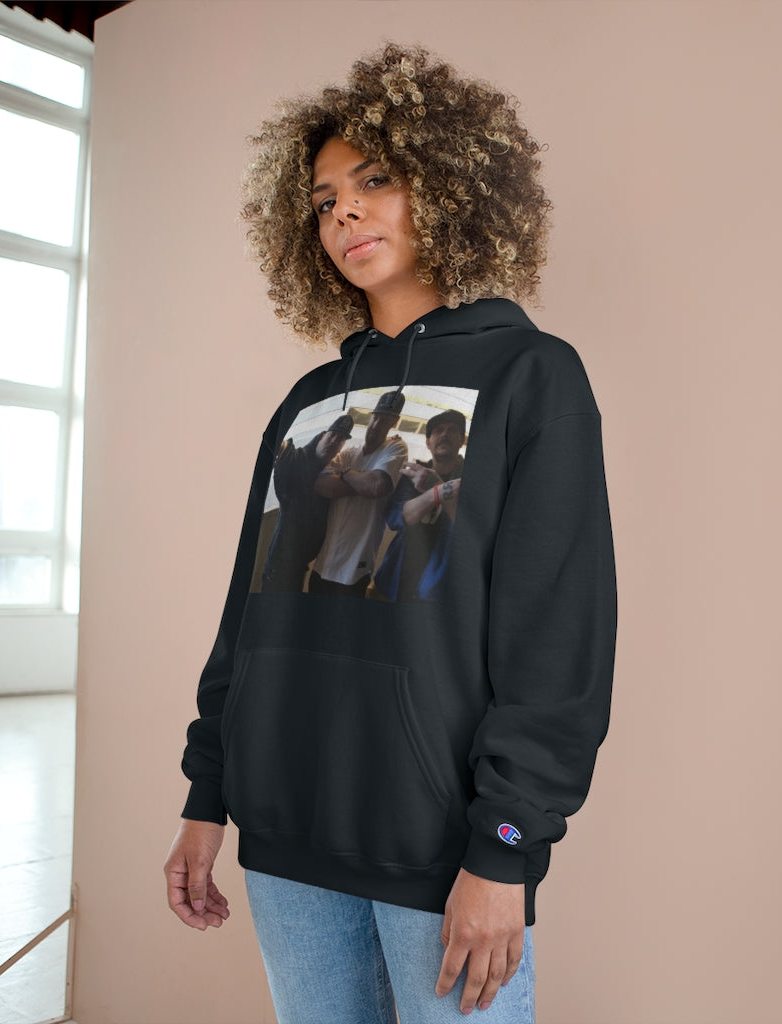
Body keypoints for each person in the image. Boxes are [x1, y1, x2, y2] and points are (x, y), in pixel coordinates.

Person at [164, 43, 617, 1023]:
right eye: (324, 200)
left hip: (439, 851)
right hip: (283, 840)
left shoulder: (531, 377)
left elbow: (557, 636)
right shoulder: (308, 402)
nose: (344, 214)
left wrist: (505, 846)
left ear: (449, 186)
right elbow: (250, 617)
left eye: (373, 181)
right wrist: (208, 796)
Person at [309, 392, 408, 598]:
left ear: (394, 422)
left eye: (384, 420)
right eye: (375, 417)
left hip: (355, 569)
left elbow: (377, 486)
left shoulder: (395, 448)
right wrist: (362, 483)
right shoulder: (349, 452)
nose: (376, 425)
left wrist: (345, 474)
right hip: (323, 563)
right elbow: (320, 484)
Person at [372, 409, 466, 602]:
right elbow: (396, 518)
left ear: (462, 440)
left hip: (438, 595)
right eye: (438, 430)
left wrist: (437, 486)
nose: (445, 434)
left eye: (452, 430)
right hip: (393, 582)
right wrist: (437, 492)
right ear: (428, 442)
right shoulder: (413, 473)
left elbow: (472, 532)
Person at [260, 414, 353, 592]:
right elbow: (284, 449)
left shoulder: (330, 472)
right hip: (279, 566)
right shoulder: (298, 459)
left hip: (301, 567)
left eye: (340, 440)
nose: (333, 441)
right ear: (321, 436)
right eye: (331, 435)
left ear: (341, 448)